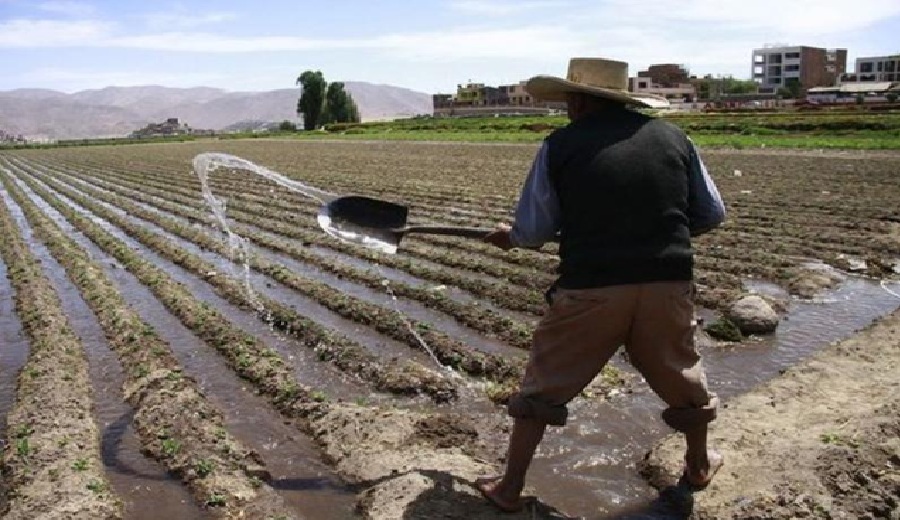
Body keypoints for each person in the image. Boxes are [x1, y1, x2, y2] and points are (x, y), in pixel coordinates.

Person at [478, 57, 726, 513]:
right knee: (682, 374)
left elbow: (533, 232)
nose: (566, 108)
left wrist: (510, 238)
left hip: (592, 289)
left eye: (569, 99)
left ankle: (509, 488)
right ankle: (698, 465)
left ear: (580, 100)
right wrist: (651, 233)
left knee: (544, 386)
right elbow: (711, 213)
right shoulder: (676, 139)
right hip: (666, 284)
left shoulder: (560, 146)